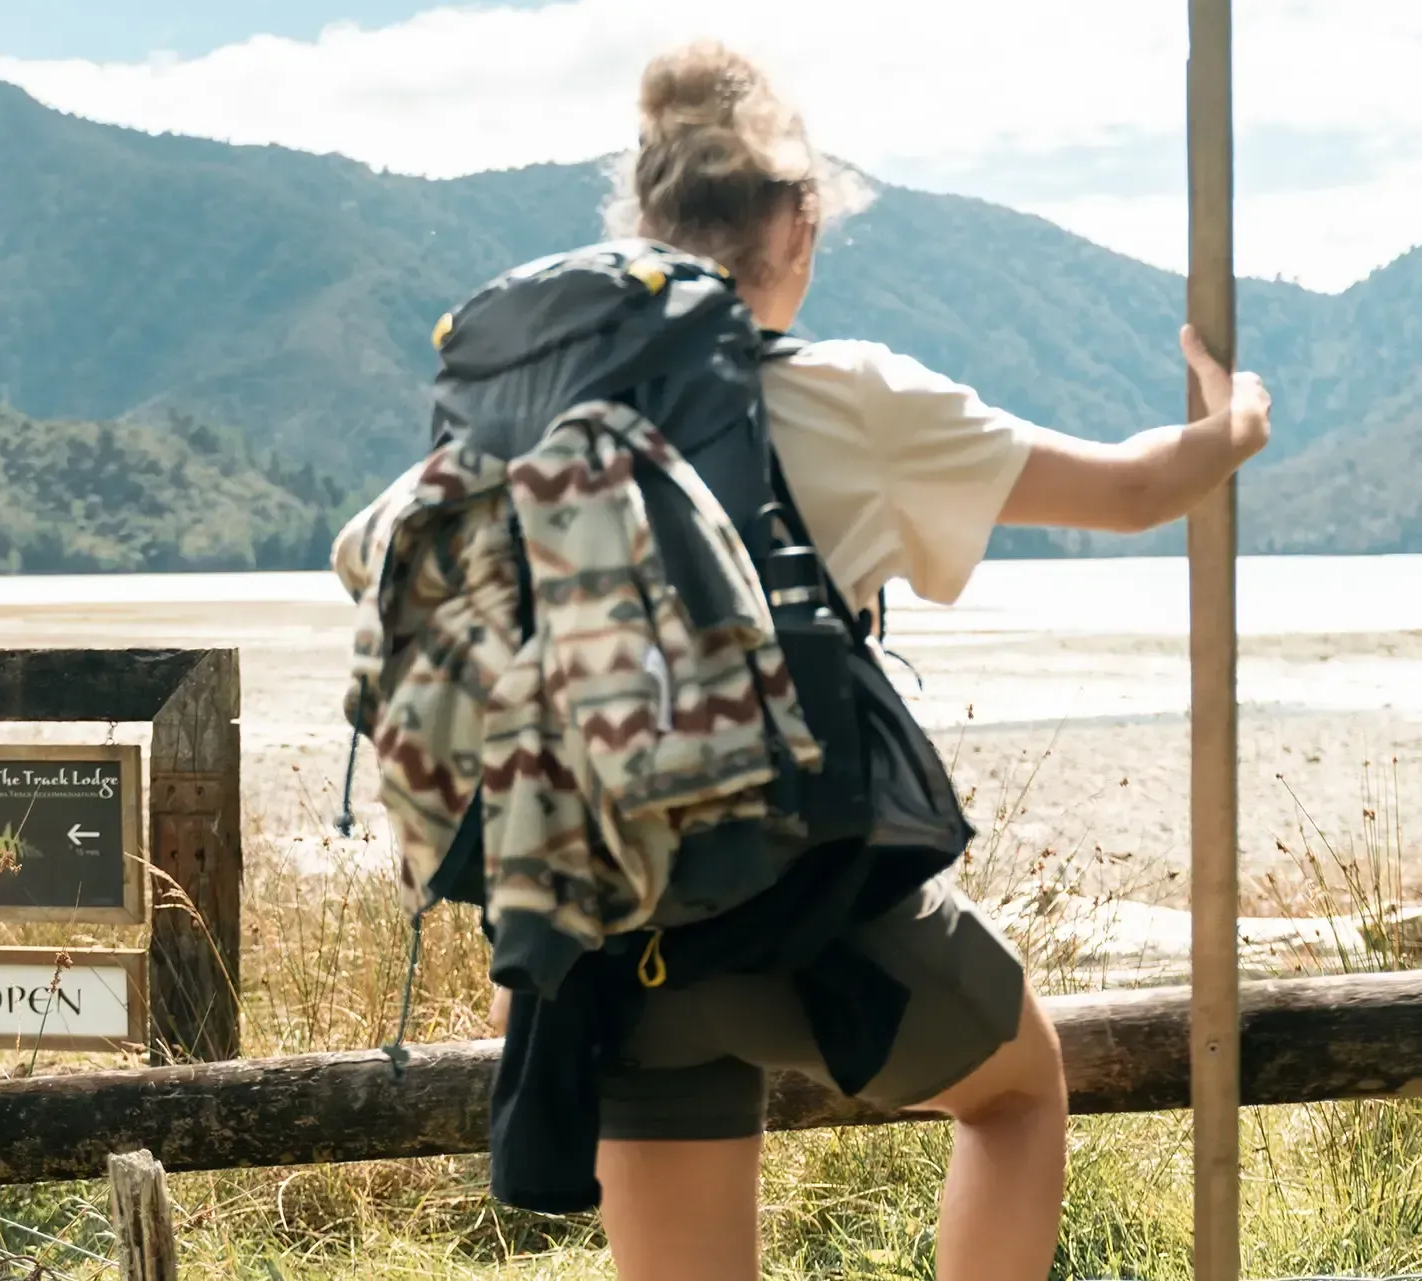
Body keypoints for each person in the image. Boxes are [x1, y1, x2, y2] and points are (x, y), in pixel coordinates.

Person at [485, 39, 1274, 1281]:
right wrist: (1234, 422)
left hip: (617, 937)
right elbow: (1130, 492)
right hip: (815, 908)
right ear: (799, 227)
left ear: (642, 229)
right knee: (1017, 1096)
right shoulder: (848, 396)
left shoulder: (550, 417)